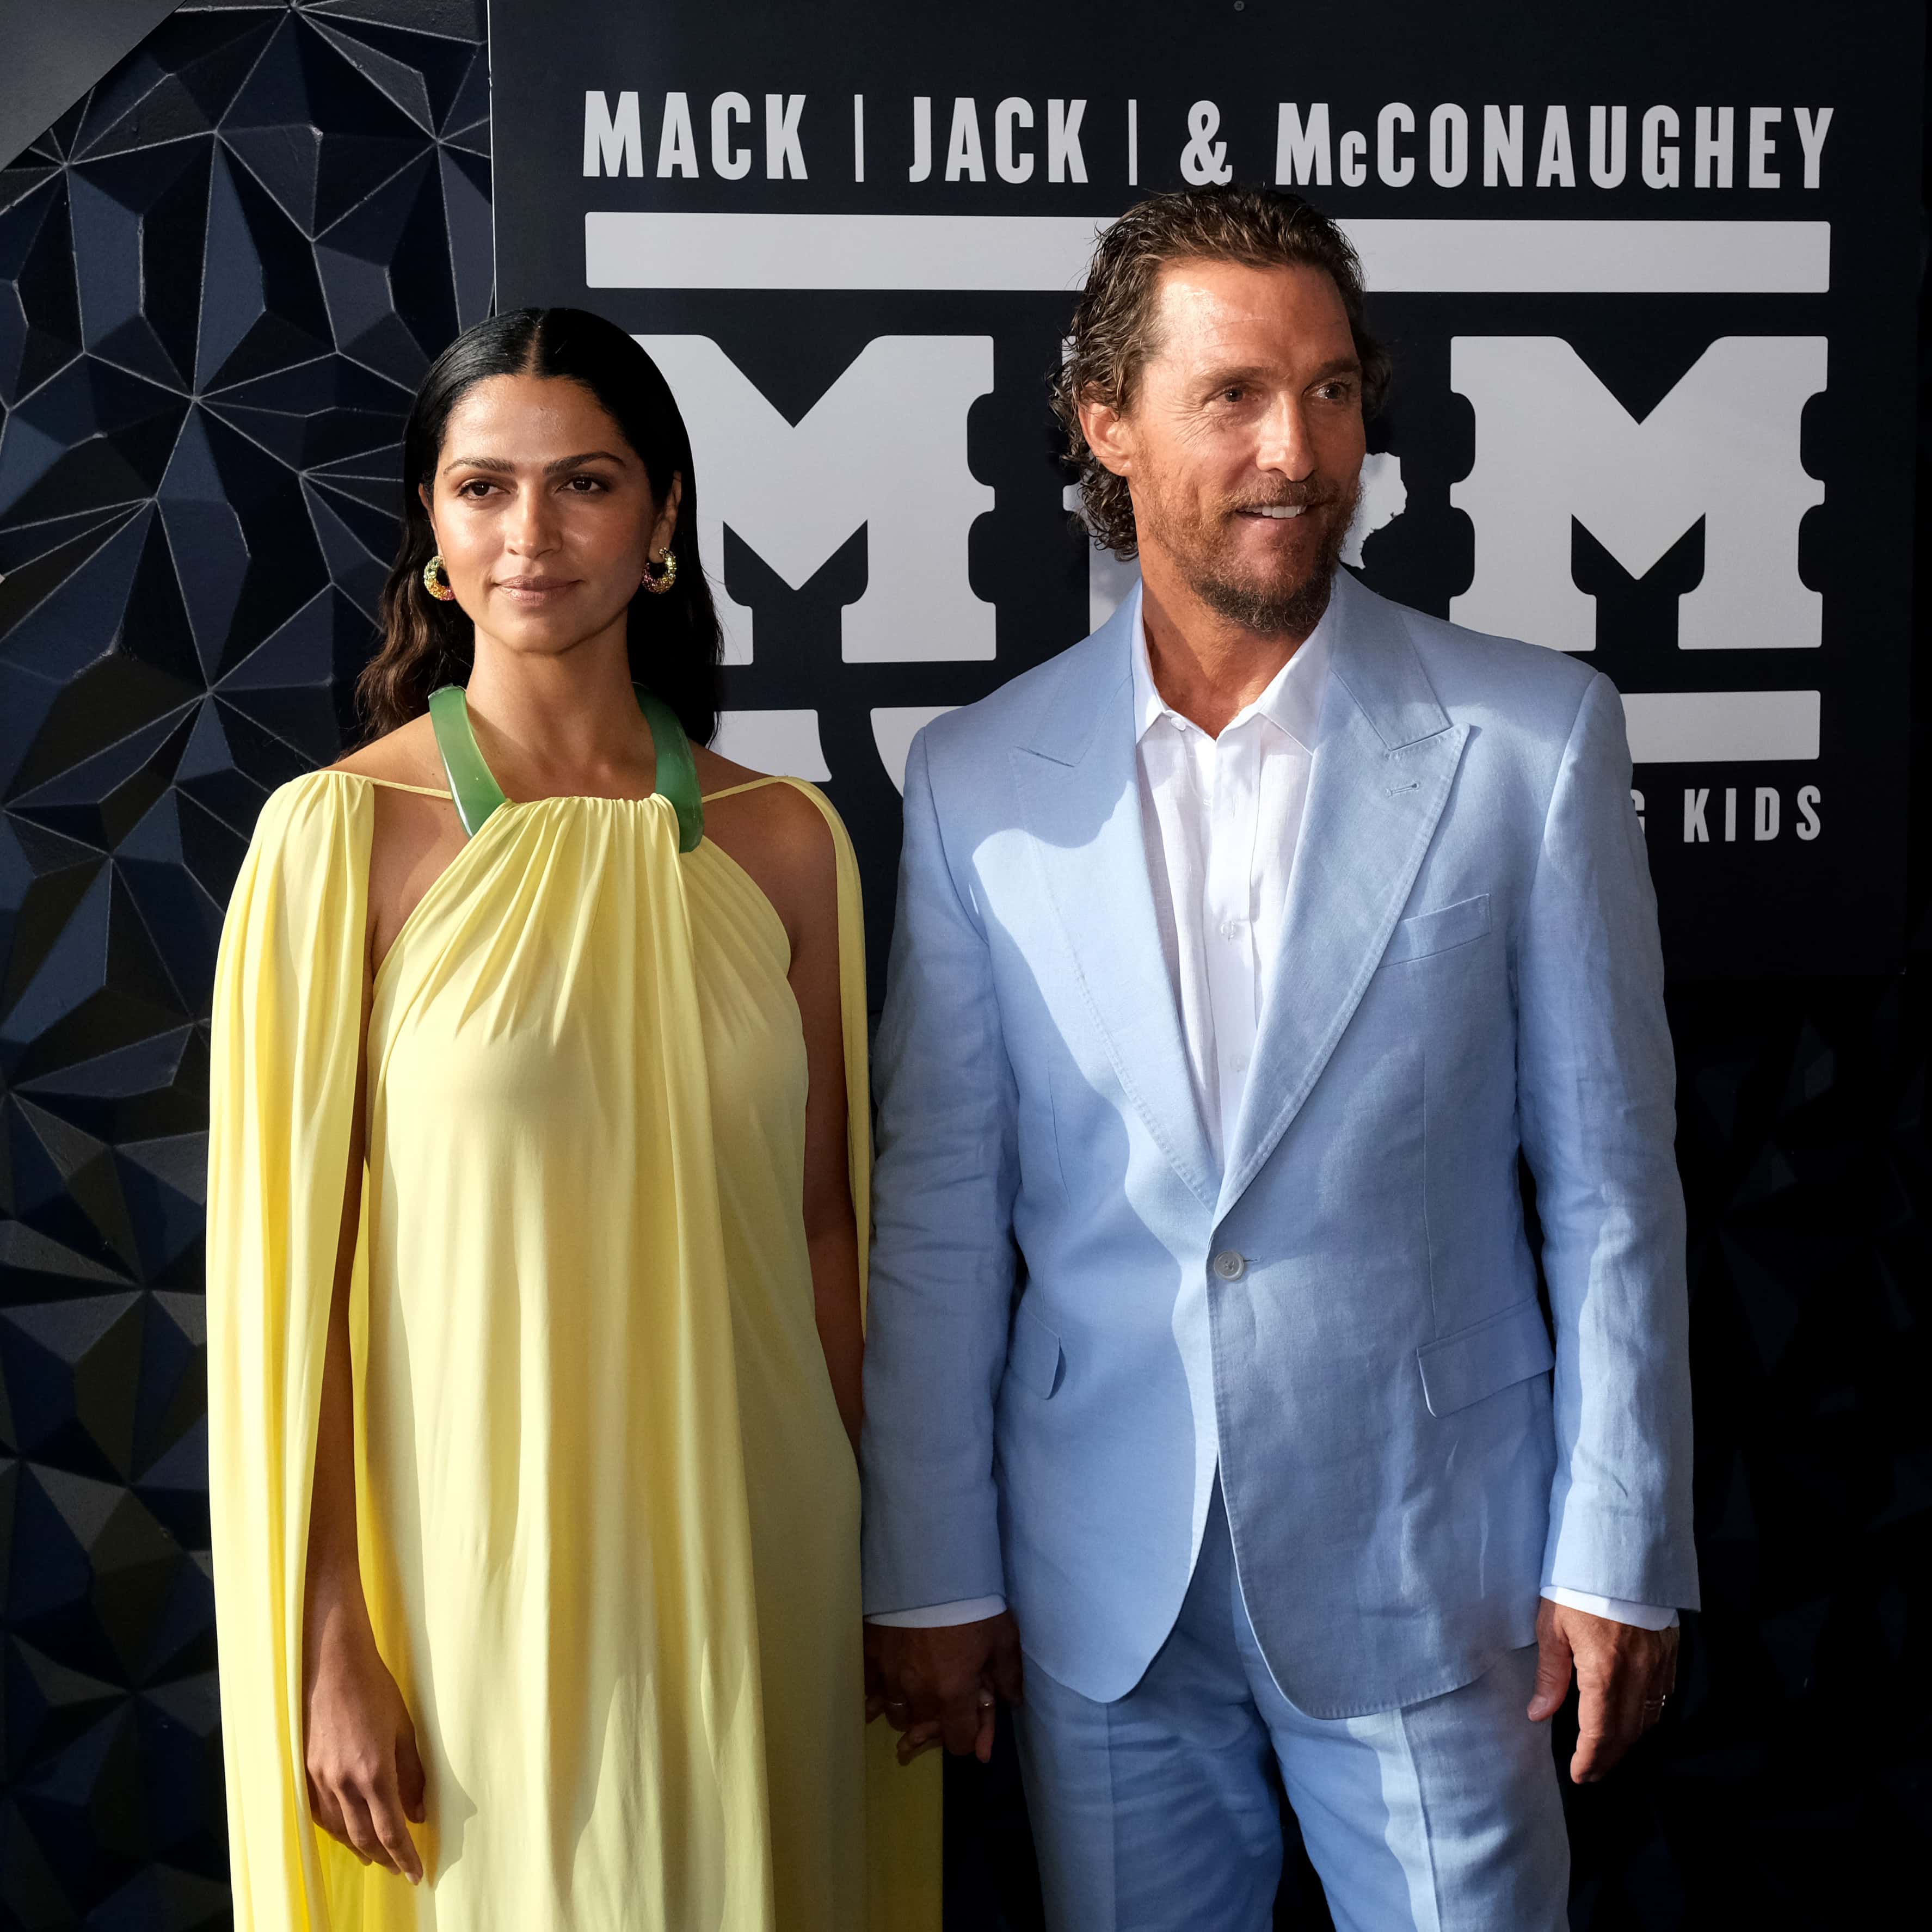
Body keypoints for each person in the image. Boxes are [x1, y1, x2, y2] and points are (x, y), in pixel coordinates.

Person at [861, 186, 1697, 1929]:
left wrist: (1619, 1541)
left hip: (1435, 1571)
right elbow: (942, 1215)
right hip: (1101, 1592)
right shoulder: (977, 782)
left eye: (1329, 392)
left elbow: (1612, 1185)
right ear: (1108, 423)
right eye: (1234, 393)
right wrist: (929, 1570)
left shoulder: (1527, 740)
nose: (1296, 448)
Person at [206, 307, 937, 1930]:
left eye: (585, 484)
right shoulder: (336, 842)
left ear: (663, 519)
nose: (529, 535)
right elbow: (290, 1291)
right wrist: (325, 1629)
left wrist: (899, 1571)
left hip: (767, 1553)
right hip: (479, 1580)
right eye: (482, 491)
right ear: (434, 536)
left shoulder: (787, 842)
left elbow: (828, 1231)